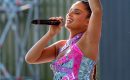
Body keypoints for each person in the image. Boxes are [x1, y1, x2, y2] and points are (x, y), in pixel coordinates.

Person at [25, 0, 102, 80]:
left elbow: (97, 11)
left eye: (76, 12)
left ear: (89, 21)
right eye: (69, 12)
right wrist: (50, 34)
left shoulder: (87, 41)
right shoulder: (61, 45)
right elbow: (30, 58)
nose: (69, 14)